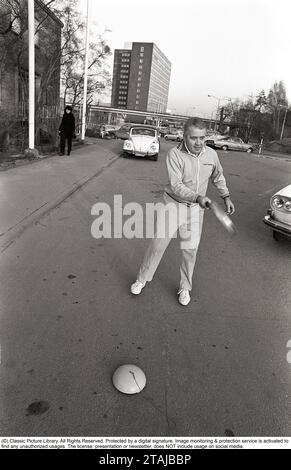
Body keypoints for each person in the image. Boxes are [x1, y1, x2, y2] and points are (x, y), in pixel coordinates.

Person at [130, 117, 235, 306]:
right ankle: (142, 278)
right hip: (173, 205)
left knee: (190, 250)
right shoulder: (174, 155)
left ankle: (185, 287)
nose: (199, 143)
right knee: (157, 245)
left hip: (196, 211)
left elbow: (218, 176)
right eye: (194, 138)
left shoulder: (211, 155)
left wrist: (226, 196)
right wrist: (197, 197)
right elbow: (176, 186)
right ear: (185, 136)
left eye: (202, 138)